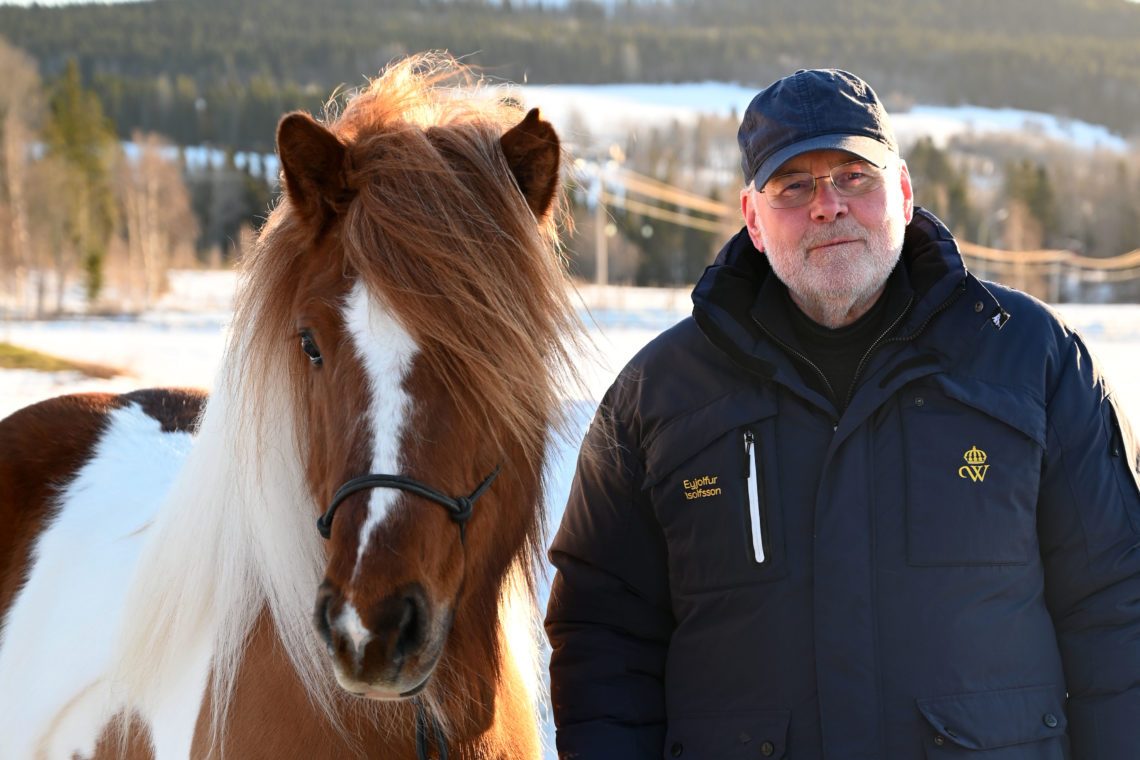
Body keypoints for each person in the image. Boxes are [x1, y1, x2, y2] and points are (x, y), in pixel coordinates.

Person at [544, 69, 1140, 759]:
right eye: (793, 186)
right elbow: (603, 635)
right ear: (753, 220)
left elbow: (1115, 604)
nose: (828, 205)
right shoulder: (657, 398)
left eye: (854, 175)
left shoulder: (1031, 360)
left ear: (905, 193)